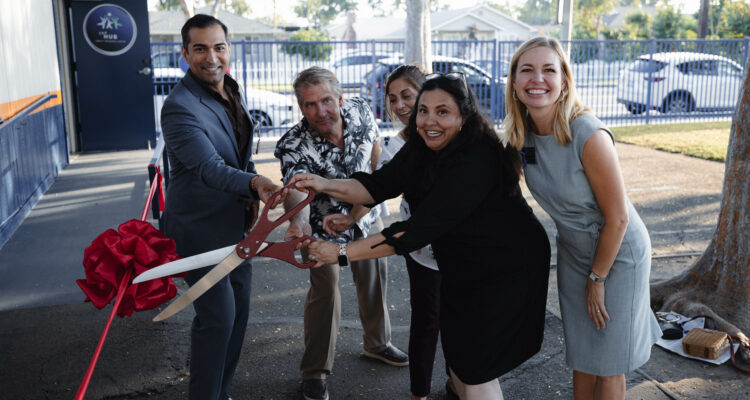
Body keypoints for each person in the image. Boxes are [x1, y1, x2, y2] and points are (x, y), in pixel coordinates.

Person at [292, 73, 551, 400]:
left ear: (463, 116)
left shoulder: (476, 158)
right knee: (461, 360)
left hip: (506, 271)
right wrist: (322, 183)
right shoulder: (423, 145)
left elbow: (412, 233)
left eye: (443, 112)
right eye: (424, 110)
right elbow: (376, 186)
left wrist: (340, 253)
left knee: (474, 369)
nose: (430, 120)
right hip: (464, 265)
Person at [503, 36, 661, 400]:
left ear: (564, 81)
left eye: (548, 70)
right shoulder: (521, 136)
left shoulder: (587, 133)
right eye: (526, 70)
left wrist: (597, 278)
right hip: (574, 254)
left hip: (617, 254)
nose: (536, 79)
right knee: (584, 358)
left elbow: (618, 218)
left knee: (609, 362)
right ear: (514, 81)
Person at [160, 14, 285, 400]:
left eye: (218, 47)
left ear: (228, 49)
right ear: (185, 53)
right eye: (200, 48)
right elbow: (210, 169)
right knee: (218, 320)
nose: (211, 57)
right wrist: (255, 184)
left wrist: (252, 192)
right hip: (198, 230)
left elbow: (239, 154)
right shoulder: (179, 107)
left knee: (238, 316)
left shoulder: (232, 89)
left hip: (235, 225)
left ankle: (221, 391)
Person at [274, 66, 408, 400]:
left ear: (340, 98)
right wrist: (297, 221)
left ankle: (377, 343)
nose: (320, 111)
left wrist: (373, 196)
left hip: (367, 213)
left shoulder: (361, 110)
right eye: (309, 105)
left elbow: (376, 150)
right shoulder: (293, 142)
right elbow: (296, 189)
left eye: (326, 101)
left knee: (374, 279)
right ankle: (315, 372)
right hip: (321, 228)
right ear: (300, 106)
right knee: (326, 293)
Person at [378, 64, 456, 400]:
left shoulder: (458, 135)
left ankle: (458, 382)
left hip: (462, 249)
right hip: (422, 252)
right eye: (393, 99)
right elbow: (373, 188)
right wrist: (349, 218)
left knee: (460, 320)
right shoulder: (397, 147)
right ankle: (419, 394)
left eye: (406, 95)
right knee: (427, 321)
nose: (399, 105)